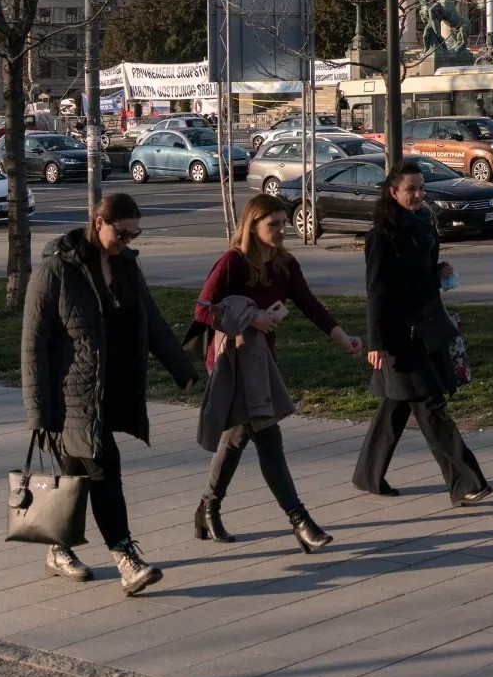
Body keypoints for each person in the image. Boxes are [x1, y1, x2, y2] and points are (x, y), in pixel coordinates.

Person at [21, 192, 196, 594]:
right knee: (104, 469)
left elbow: (150, 318)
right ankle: (126, 559)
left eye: (134, 235)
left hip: (110, 389)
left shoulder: (127, 268)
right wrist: (38, 413)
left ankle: (57, 547)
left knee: (77, 475)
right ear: (97, 222)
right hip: (70, 398)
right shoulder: (56, 272)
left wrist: (180, 367)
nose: (127, 241)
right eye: (122, 233)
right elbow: (32, 346)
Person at [193, 193, 363, 552]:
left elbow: (309, 304)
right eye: (274, 224)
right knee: (268, 437)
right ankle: (300, 522)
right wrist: (249, 318)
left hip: (262, 364)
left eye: (283, 223)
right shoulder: (232, 262)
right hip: (230, 362)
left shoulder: (286, 264)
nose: (282, 229)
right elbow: (202, 310)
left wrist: (343, 338)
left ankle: (208, 507)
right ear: (252, 227)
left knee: (239, 435)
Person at [353, 159, 493, 505]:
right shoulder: (382, 236)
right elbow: (377, 292)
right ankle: (466, 483)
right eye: (410, 189)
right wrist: (377, 342)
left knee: (396, 406)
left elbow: (420, 275)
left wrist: (439, 271)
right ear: (393, 192)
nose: (418, 194)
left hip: (426, 327)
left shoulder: (424, 225)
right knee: (430, 406)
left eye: (421, 188)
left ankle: (368, 475)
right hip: (400, 335)